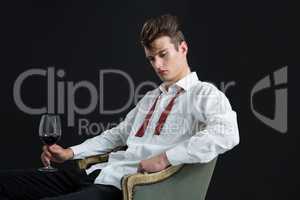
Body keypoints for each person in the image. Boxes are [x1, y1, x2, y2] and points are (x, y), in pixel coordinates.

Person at [0, 14, 239, 200]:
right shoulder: (150, 98)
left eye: (163, 54)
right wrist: (70, 152)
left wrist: (165, 157)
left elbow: (227, 133)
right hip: (94, 173)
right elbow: (117, 135)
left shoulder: (204, 94)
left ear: (183, 48)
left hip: (123, 189)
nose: (157, 65)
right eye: (151, 58)